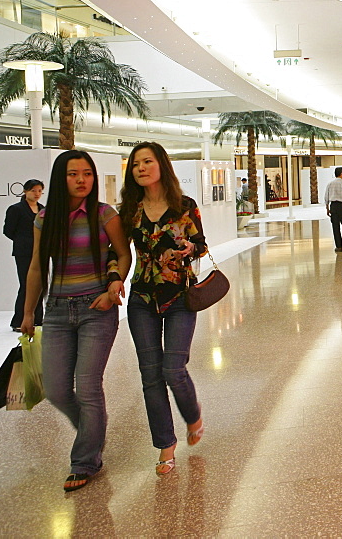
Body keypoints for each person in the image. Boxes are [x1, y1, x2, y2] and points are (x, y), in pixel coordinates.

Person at [21, 150, 131, 492]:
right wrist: (28, 312)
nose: (82, 180)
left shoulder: (104, 214)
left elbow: (124, 253)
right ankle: (92, 434)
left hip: (96, 309)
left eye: (87, 173)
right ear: (60, 178)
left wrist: (116, 284)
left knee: (86, 386)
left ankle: (85, 460)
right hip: (56, 311)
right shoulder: (45, 219)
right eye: (73, 174)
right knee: (55, 390)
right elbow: (38, 266)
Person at [118, 142, 208, 477]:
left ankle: (193, 413)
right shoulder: (130, 209)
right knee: (150, 375)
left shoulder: (184, 206)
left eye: (147, 161)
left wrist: (190, 248)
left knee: (174, 369)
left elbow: (201, 244)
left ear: (161, 166)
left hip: (180, 297)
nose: (141, 168)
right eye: (136, 164)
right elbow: (121, 253)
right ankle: (165, 446)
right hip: (141, 299)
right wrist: (114, 277)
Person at [4, 179, 45, 331]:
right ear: (25, 191)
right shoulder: (16, 209)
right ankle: (19, 320)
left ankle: (38, 319)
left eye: (40, 191)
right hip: (23, 252)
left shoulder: (42, 209)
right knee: (26, 285)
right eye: (33, 190)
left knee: (40, 284)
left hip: (40, 251)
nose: (37, 194)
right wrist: (23, 241)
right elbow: (8, 230)